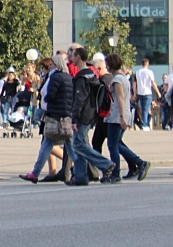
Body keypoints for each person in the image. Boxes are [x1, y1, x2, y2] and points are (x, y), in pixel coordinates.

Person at [19, 52, 75, 184]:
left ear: (57, 65)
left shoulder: (55, 77)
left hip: (55, 116)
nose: (50, 67)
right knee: (60, 146)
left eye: (52, 64)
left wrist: (45, 101)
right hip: (65, 115)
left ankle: (85, 170)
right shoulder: (67, 77)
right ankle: (35, 173)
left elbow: (50, 95)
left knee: (58, 146)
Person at [65, 46, 113, 186]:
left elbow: (79, 99)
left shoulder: (81, 77)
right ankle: (80, 176)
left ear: (78, 57)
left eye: (73, 55)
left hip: (83, 115)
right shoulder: (92, 74)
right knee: (79, 144)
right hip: (91, 113)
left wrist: (74, 118)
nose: (71, 58)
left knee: (78, 144)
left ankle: (106, 164)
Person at [103, 53, 150, 183]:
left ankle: (119, 171)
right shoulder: (123, 77)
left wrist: (122, 117)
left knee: (113, 145)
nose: (106, 66)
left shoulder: (117, 79)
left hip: (117, 115)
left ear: (111, 64)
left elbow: (120, 98)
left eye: (107, 64)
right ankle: (138, 164)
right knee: (117, 143)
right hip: (121, 114)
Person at [133, 58, 156, 130]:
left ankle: (144, 123)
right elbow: (153, 83)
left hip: (140, 92)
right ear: (147, 64)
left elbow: (134, 83)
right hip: (147, 92)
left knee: (143, 109)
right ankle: (145, 124)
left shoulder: (137, 72)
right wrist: (158, 92)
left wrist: (134, 93)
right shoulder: (149, 72)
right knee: (146, 109)